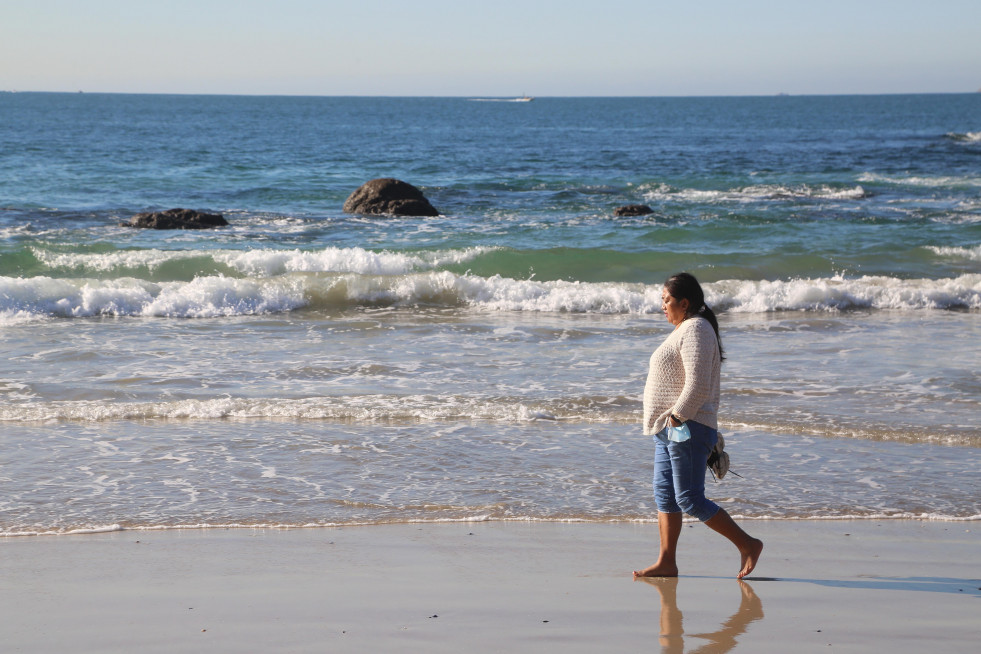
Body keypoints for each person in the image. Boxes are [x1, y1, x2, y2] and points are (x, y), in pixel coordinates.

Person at [633, 272, 763, 580]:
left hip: (687, 427)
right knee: (664, 496)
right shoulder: (684, 329)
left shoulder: (696, 329)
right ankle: (667, 562)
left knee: (689, 498)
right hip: (670, 430)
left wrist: (677, 416)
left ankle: (749, 544)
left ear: (685, 302)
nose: (662, 306)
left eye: (666, 300)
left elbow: (698, 384)